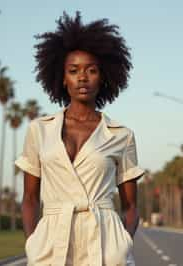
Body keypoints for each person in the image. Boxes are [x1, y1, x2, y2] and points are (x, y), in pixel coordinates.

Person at [15, 11, 145, 266]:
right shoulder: (39, 130)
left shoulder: (121, 135)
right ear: (63, 78)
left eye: (91, 70)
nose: (82, 77)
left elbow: (130, 206)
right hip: (50, 247)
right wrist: (32, 243)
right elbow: (30, 199)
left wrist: (123, 243)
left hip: (105, 244)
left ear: (103, 76)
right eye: (74, 70)